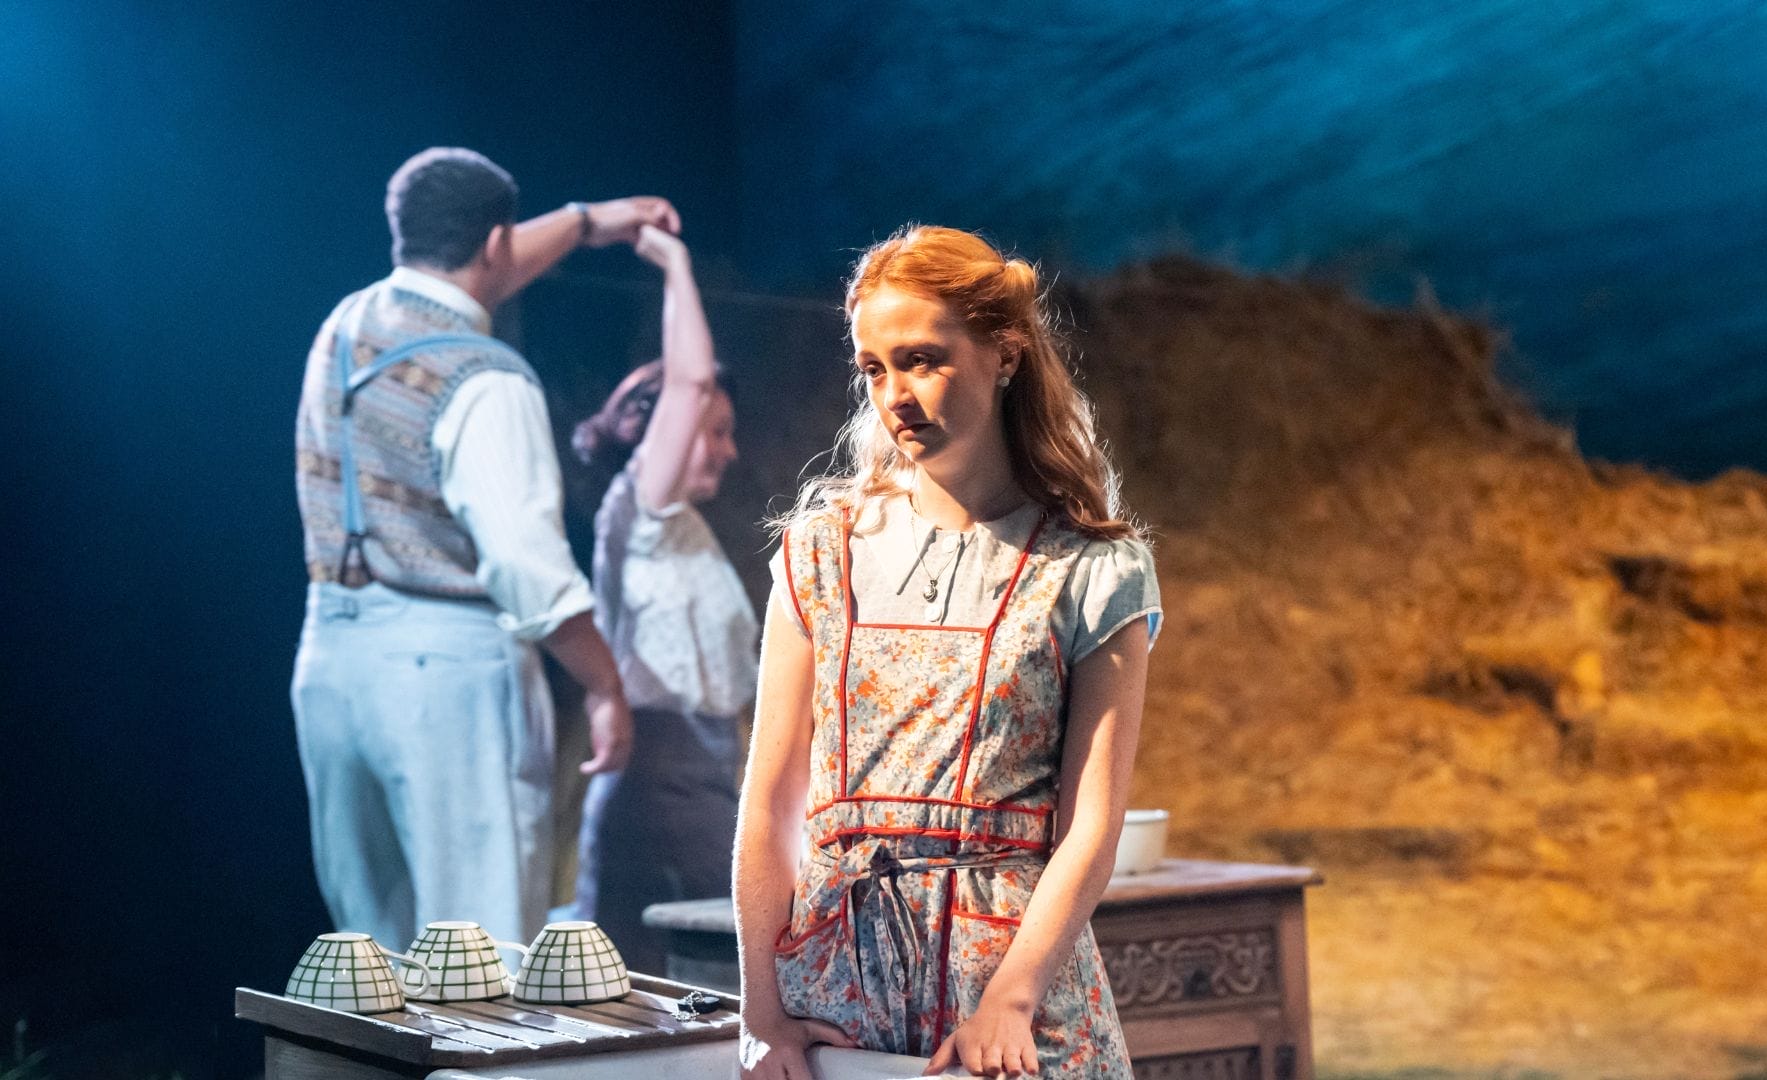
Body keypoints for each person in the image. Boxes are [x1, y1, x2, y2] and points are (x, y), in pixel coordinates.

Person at [734, 226, 1161, 1079]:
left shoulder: (1092, 569)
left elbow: (1091, 825)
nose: (895, 394)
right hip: (837, 991)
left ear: (1004, 354)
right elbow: (772, 801)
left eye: (923, 359)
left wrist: (1010, 998)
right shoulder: (821, 553)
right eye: (874, 368)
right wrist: (763, 1008)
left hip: (1009, 999)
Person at [292, 146, 672, 950]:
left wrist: (586, 223)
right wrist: (604, 686)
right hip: (445, 674)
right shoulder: (486, 378)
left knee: (371, 962)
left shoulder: (345, 323)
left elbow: (480, 263)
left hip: (331, 665)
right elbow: (526, 567)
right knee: (478, 959)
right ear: (496, 240)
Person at [562, 223, 758, 971]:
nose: (729, 450)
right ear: (655, 435)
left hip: (697, 762)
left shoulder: (679, 531)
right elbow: (691, 381)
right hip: (662, 762)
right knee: (733, 946)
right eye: (715, 432)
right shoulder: (641, 507)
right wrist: (676, 261)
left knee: (638, 962)